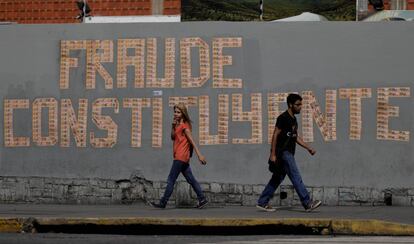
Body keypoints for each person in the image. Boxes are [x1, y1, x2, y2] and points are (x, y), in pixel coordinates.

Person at [256, 93, 322, 212]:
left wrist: (308, 148)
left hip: (288, 153)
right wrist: (273, 154)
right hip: (284, 153)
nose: (300, 107)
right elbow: (275, 135)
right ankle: (307, 203)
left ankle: (262, 202)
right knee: (296, 176)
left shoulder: (293, 120)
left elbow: (295, 137)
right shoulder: (283, 118)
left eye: (301, 104)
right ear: (290, 105)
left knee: (277, 178)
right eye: (298, 104)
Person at [150, 103, 208, 209]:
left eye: (178, 112)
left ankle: (163, 202)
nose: (175, 114)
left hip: (180, 157)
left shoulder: (185, 126)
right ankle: (202, 198)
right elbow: (173, 137)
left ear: (183, 113)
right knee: (191, 179)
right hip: (182, 157)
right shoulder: (178, 125)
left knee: (171, 179)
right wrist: (173, 126)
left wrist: (200, 155)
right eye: (175, 112)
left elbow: (192, 141)